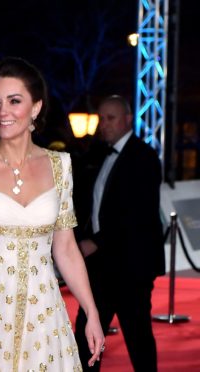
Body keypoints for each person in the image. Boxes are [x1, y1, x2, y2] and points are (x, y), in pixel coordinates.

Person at [0, 56, 104, 371]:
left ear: (36, 107)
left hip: (46, 319)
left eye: (14, 101)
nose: (3, 112)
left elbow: (66, 248)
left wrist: (91, 312)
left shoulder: (60, 166)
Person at [74, 95, 165, 372]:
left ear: (128, 120)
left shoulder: (145, 158)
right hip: (102, 266)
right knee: (86, 333)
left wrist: (95, 242)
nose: (104, 125)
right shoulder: (100, 153)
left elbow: (136, 214)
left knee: (137, 337)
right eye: (101, 119)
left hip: (131, 267)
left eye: (110, 118)